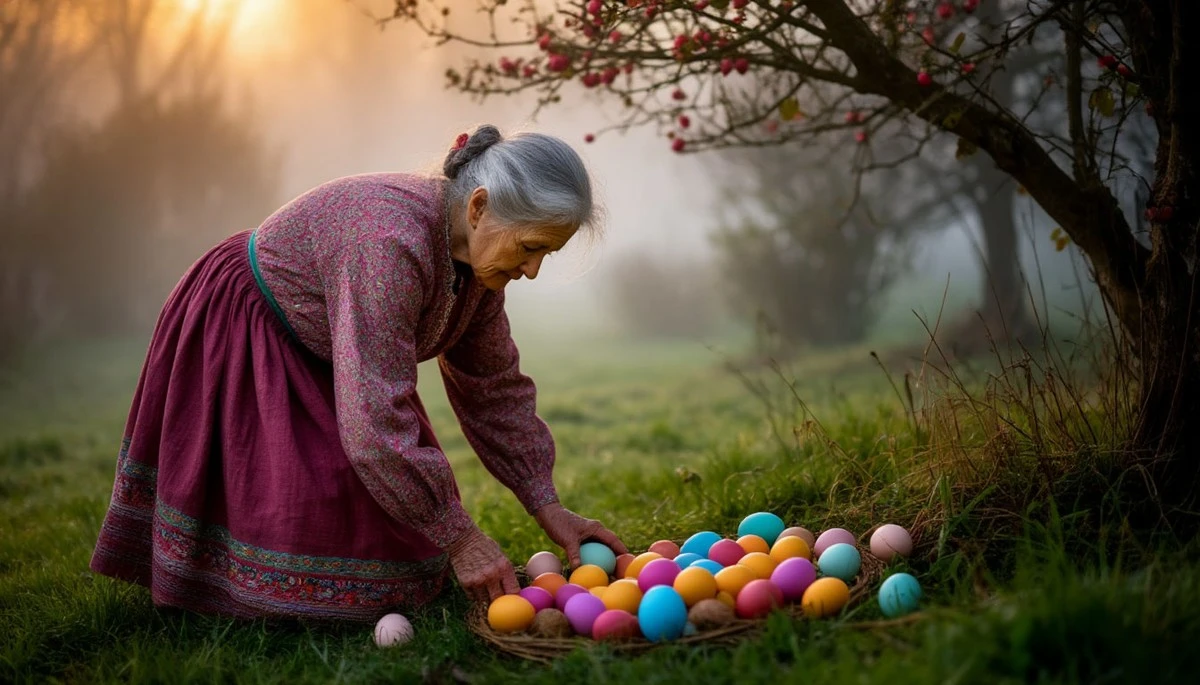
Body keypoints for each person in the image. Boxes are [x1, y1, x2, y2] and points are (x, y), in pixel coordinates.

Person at [89, 125, 627, 622]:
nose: (531, 271)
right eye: (530, 247)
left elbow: (494, 388)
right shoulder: (388, 243)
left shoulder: (482, 270)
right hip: (253, 328)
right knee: (309, 538)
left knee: (403, 571)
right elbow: (374, 424)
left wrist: (546, 503)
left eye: (546, 255)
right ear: (480, 208)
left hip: (348, 357)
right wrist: (462, 539)